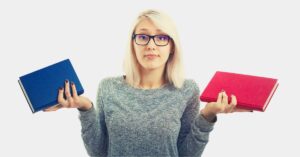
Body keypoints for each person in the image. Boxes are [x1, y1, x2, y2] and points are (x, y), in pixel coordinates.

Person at [44, 9, 250, 157]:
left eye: (161, 37)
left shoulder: (187, 90)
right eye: (143, 36)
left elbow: (186, 154)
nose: (151, 45)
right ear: (133, 44)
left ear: (172, 46)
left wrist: (208, 115)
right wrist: (85, 107)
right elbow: (99, 153)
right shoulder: (108, 88)